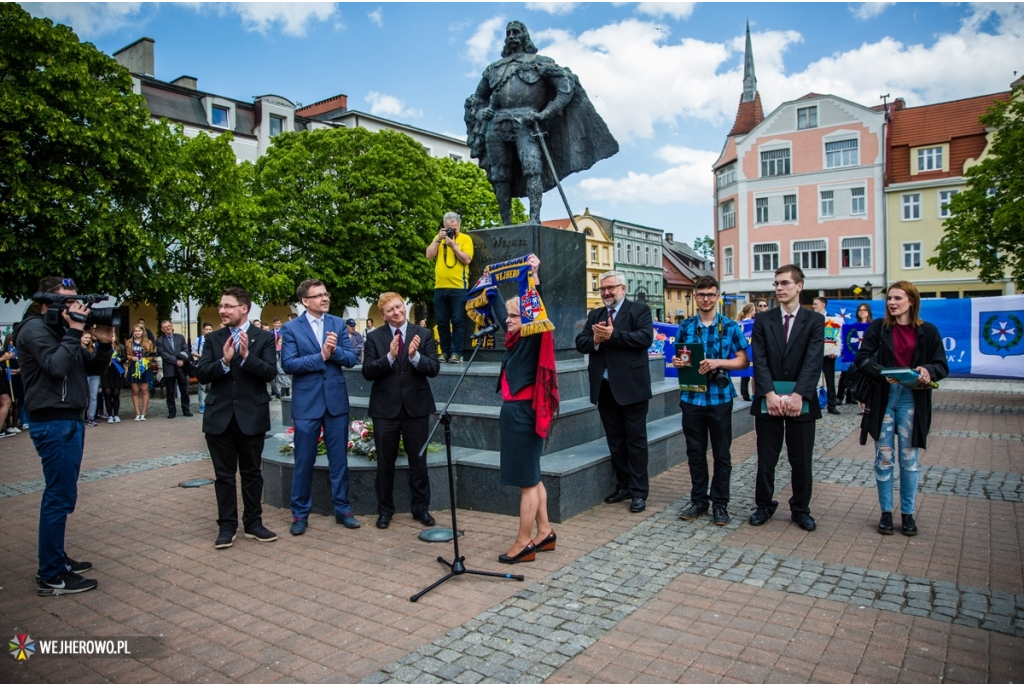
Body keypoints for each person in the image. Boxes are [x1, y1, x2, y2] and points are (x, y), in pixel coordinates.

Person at [14, 276, 114, 595]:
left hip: (70, 420)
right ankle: (51, 574)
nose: (77, 306)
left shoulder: (59, 330)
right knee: (58, 497)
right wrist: (74, 331)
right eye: (70, 300)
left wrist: (106, 341)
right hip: (53, 423)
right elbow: (56, 367)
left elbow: (94, 367)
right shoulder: (33, 330)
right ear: (47, 302)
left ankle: (56, 559)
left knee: (64, 495)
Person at [466, 21, 618, 225]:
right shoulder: (493, 69)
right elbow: (478, 98)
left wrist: (545, 114)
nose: (511, 36)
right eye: (508, 33)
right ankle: (506, 223)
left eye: (516, 32)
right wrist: (483, 111)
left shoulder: (541, 62)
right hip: (497, 123)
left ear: (525, 36)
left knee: (532, 167)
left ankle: (534, 218)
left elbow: (565, 88)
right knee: (499, 173)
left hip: (527, 122)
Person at [856, 281, 947, 536]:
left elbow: (941, 365)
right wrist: (882, 373)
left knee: (909, 460)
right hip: (884, 397)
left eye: (897, 298)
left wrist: (927, 371)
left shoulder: (928, 331)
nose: (892, 303)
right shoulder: (879, 328)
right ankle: (886, 513)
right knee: (884, 458)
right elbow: (862, 359)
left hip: (912, 398)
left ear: (912, 301)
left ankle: (908, 514)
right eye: (889, 298)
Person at [196, 288, 279, 549]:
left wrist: (245, 357)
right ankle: (226, 526)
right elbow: (202, 374)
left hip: (251, 416)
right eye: (221, 306)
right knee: (224, 476)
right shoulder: (213, 339)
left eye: (228, 306)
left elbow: (269, 373)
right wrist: (224, 361)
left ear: (244, 308)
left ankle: (253, 523)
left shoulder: (263, 338)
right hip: (219, 417)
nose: (222, 310)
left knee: (252, 473)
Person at [281, 279, 360, 534]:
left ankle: (343, 509)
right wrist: (321, 357)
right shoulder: (291, 328)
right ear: (305, 301)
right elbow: (289, 364)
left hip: (335, 401)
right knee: (304, 460)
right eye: (319, 296)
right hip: (307, 403)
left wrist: (334, 351)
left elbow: (351, 358)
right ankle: (300, 514)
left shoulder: (337, 323)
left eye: (326, 294)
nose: (325, 299)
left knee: (339, 460)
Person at [749, 265, 824, 532]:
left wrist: (797, 395)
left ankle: (801, 509)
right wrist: (768, 393)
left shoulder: (814, 321)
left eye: (784, 283)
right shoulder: (763, 319)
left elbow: (813, 361)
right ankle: (763, 505)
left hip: (800, 400)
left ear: (799, 286)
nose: (779, 288)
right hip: (768, 399)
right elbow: (759, 359)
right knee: (766, 457)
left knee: (801, 459)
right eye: (776, 283)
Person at [495, 257, 560, 564]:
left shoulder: (532, 336)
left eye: (513, 316)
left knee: (526, 482)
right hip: (518, 412)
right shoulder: (515, 340)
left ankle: (524, 543)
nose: (508, 320)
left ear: (529, 319)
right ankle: (545, 531)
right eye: (508, 315)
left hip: (523, 413)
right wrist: (490, 287)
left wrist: (534, 278)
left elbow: (536, 309)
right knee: (533, 478)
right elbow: (500, 316)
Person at [672, 277, 750, 526]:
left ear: (718, 297)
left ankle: (720, 504)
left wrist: (719, 363)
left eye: (711, 294)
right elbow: (681, 358)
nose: (706, 298)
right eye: (702, 294)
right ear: (696, 296)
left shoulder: (729, 326)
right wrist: (679, 363)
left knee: (721, 454)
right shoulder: (685, 326)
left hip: (719, 399)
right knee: (695, 453)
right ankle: (699, 501)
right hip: (691, 397)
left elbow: (743, 361)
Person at [575, 270, 654, 513]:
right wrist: (597, 341)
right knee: (616, 441)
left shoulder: (639, 311)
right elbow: (581, 343)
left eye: (611, 287)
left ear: (623, 288)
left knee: (636, 441)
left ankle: (639, 492)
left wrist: (613, 335)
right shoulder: (596, 314)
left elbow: (645, 338)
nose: (606, 292)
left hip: (632, 388)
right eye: (602, 289)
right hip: (605, 388)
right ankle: (623, 486)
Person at [361, 292, 440, 529]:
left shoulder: (423, 334)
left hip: (416, 407)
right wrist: (389, 357)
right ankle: (385, 511)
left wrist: (415, 357)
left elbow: (434, 368)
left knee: (419, 462)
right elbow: (367, 372)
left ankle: (421, 509)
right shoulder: (374, 338)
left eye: (398, 307)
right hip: (385, 410)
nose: (396, 312)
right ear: (383, 315)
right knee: (385, 463)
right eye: (390, 310)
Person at [425, 211, 474, 364]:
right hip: (440, 287)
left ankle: (456, 353)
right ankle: (445, 352)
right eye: (448, 228)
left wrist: (453, 246)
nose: (451, 231)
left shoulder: (465, 239)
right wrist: (439, 239)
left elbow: (467, 259)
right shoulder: (439, 238)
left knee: (458, 321)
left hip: (459, 287)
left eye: (454, 228)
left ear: (459, 225)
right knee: (441, 322)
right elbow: (428, 255)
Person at [838, 303, 873, 411]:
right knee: (850, 376)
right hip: (855, 357)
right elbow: (848, 340)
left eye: (864, 310)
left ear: (868, 312)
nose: (862, 312)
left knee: (865, 378)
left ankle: (862, 401)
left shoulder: (873, 326)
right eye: (860, 310)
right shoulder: (852, 327)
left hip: (868, 357)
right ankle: (843, 397)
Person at [813, 296, 843, 415]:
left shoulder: (832, 319)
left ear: (823, 305)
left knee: (830, 380)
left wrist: (834, 351)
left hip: (828, 355)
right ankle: (813, 404)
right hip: (815, 354)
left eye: (816, 304)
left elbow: (836, 336)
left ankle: (832, 405)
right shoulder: (811, 319)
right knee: (813, 379)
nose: (813, 306)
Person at [156, 320, 192, 419]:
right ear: (162, 329)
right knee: (170, 392)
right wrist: (176, 360)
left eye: (169, 326)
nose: (168, 328)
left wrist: (183, 361)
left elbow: (186, 350)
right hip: (169, 368)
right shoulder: (160, 340)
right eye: (165, 327)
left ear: (172, 326)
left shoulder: (180, 337)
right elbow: (163, 354)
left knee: (184, 390)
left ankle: (186, 410)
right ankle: (172, 411)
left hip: (181, 367)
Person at [127, 324, 156, 421]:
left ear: (143, 332)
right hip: (133, 367)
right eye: (135, 331)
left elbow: (152, 355)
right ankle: (137, 413)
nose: (137, 333)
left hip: (145, 367)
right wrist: (131, 357)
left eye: (139, 331)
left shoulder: (148, 342)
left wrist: (145, 359)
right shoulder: (129, 342)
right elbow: (127, 355)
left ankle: (144, 412)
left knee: (144, 389)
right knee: (135, 390)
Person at [100, 330, 124, 424]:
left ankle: (116, 415)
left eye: (113, 336)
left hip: (117, 372)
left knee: (116, 394)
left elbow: (125, 358)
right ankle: (110, 415)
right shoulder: (103, 347)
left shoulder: (120, 347)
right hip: (106, 372)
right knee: (107, 394)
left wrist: (119, 359)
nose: (111, 338)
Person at [80, 330, 101, 427]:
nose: (87, 339)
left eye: (89, 338)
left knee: (93, 396)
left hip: (94, 374)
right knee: (83, 396)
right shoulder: (78, 348)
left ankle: (91, 417)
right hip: (83, 374)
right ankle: (81, 416)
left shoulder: (93, 348)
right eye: (85, 337)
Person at [192, 322, 214, 413]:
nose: (208, 331)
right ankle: (202, 405)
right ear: (203, 329)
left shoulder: (214, 339)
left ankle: (211, 404)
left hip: (212, 365)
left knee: (212, 386)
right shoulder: (199, 340)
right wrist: (201, 356)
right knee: (202, 387)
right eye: (206, 329)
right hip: (202, 365)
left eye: (210, 329)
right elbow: (193, 352)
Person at [736, 303, 756, 402]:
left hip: (742, 349)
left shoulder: (739, 323)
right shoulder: (753, 323)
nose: (755, 312)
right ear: (751, 311)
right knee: (752, 373)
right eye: (754, 310)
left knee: (745, 375)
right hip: (751, 350)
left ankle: (745, 394)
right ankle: (751, 394)